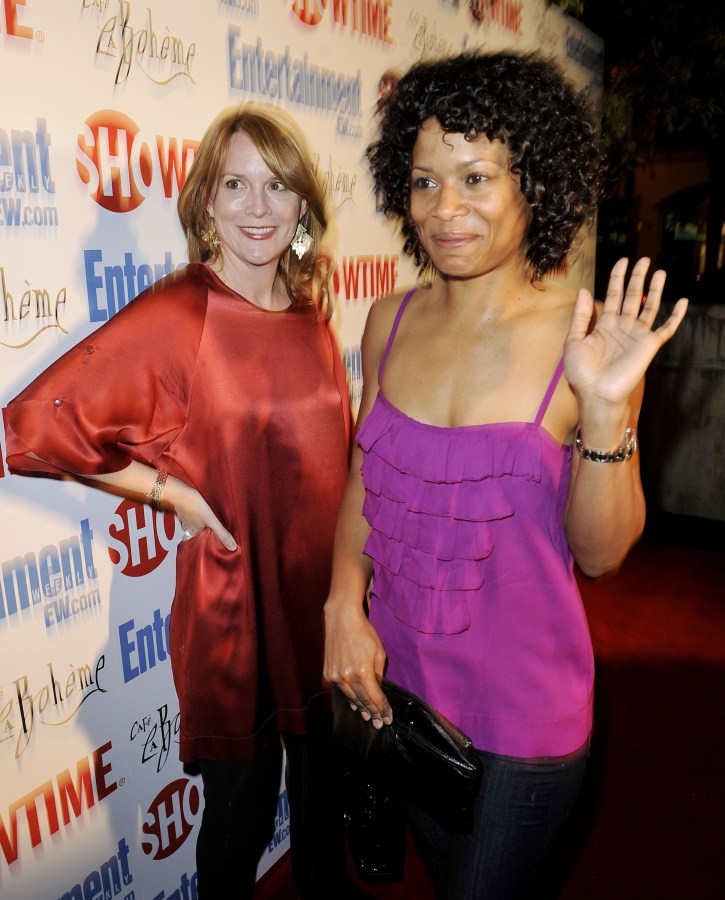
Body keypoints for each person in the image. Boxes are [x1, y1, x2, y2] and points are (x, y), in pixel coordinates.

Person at [323, 51, 688, 899]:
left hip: (526, 722)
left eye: (476, 178)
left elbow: (600, 555)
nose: (444, 210)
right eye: (422, 182)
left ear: (534, 182)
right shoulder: (388, 321)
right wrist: (343, 599)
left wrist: (602, 409)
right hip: (400, 698)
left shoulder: (585, 334)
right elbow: (361, 486)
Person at [6, 104, 365, 899]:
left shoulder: (312, 315)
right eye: (235, 184)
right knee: (235, 830)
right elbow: (35, 427)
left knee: (322, 817)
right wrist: (176, 496)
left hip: (321, 607)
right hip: (237, 611)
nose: (258, 207)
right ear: (205, 201)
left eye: (276, 185)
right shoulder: (183, 312)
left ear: (303, 201)